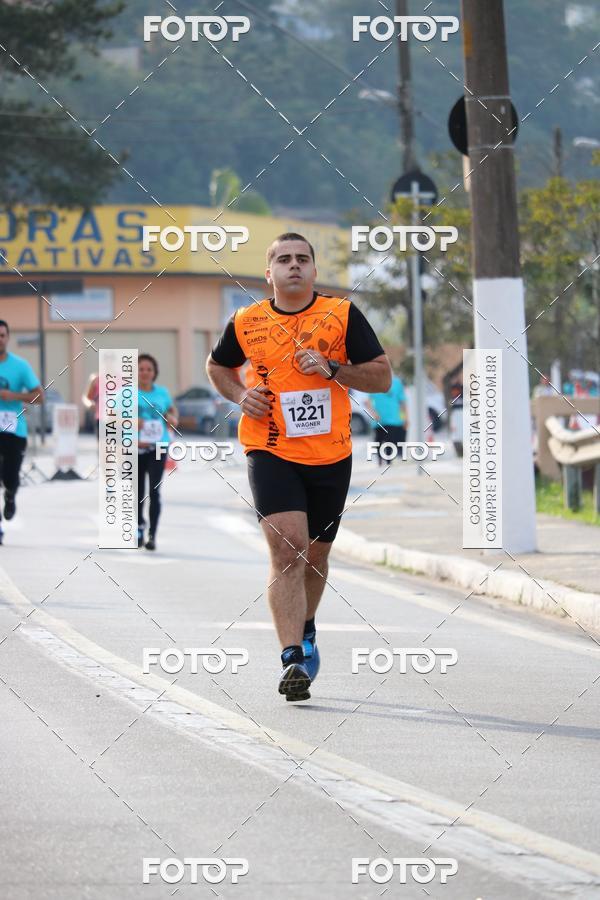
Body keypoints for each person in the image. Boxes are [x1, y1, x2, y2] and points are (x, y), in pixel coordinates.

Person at [207, 233, 391, 701]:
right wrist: (239, 395)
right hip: (269, 448)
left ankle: (306, 625)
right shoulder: (246, 321)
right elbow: (218, 367)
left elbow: (382, 377)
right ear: (268, 273)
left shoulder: (342, 314)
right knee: (288, 550)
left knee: (318, 554)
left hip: (331, 454)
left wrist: (332, 368)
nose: (294, 266)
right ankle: (292, 657)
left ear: (314, 269)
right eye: (283, 259)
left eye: (302, 259)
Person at [0, 320, 43, 543]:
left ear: (7, 338)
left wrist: (14, 396)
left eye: (2, 335)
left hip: (14, 429)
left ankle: (10, 495)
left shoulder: (20, 366)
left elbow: (39, 396)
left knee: (10, 476)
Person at [137, 354, 178, 551]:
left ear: (155, 373)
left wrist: (172, 418)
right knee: (136, 492)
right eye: (141, 369)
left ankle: (152, 535)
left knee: (154, 491)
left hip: (158, 446)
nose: (145, 372)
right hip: (135, 447)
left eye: (149, 369)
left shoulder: (162, 392)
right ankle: (138, 528)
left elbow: (172, 411)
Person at [369, 373, 408, 465]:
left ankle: (388, 462)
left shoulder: (397, 382)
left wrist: (405, 418)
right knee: (378, 440)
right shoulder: (373, 381)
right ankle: (380, 461)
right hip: (378, 419)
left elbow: (402, 402)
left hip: (393, 418)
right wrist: (373, 412)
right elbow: (367, 400)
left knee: (390, 440)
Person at [83, 372, 100, 438]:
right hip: (101, 418)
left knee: (118, 447)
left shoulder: (120, 379)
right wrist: (90, 404)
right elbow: (86, 398)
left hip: (118, 419)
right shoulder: (95, 379)